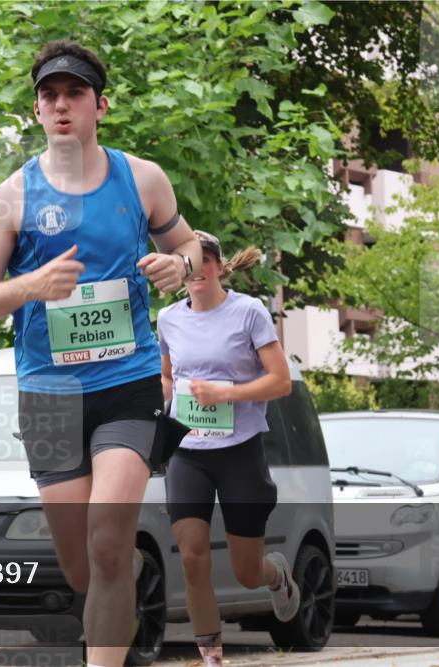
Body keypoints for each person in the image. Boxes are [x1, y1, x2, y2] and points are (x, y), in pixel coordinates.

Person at [0, 40, 202, 667]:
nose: (61, 105)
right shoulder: (13, 195)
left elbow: (197, 246)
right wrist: (30, 288)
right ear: (39, 111)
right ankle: (117, 628)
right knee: (79, 569)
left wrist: (180, 264)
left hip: (128, 381)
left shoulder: (142, 178)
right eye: (50, 96)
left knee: (107, 541)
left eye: (74, 94)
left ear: (100, 104)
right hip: (48, 394)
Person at [156, 230, 299, 667]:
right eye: (189, 264)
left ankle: (277, 577)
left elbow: (281, 381)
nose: (198, 271)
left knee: (246, 571)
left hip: (239, 450)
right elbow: (168, 376)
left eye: (205, 262)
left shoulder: (248, 312)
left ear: (219, 266)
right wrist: (162, 408)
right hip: (187, 450)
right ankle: (212, 657)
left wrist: (227, 394)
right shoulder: (168, 319)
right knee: (193, 557)